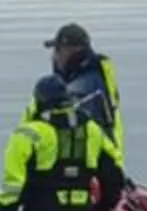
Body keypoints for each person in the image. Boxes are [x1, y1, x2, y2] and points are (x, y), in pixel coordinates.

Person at [0, 72, 123, 211]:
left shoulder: (29, 133)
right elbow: (114, 171)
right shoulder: (91, 129)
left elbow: (12, 182)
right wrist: (104, 205)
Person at [44, 21, 125, 158]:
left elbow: (73, 131)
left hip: (90, 165)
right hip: (107, 158)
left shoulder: (79, 89)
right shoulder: (98, 75)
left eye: (57, 50)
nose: (54, 57)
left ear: (71, 50)